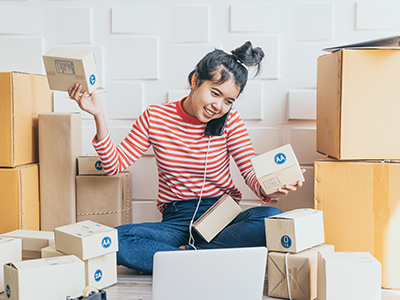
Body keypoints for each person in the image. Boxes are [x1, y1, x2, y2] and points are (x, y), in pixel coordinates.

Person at [68, 41, 304, 274]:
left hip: (222, 217)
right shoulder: (156, 117)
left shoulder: (230, 121)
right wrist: (98, 115)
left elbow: (250, 171)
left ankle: (186, 259)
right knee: (117, 239)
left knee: (271, 218)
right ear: (195, 81)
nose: (218, 106)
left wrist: (271, 188)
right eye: (215, 93)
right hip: (176, 221)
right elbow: (114, 166)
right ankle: (204, 258)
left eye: (228, 101)